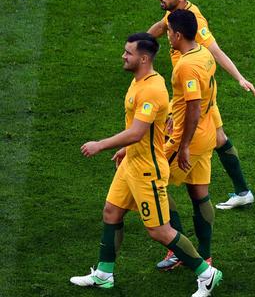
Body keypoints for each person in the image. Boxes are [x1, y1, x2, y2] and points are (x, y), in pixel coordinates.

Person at [70, 33, 221, 296]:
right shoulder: (139, 81)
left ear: (143, 58)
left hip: (147, 170)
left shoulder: (152, 90)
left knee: (159, 231)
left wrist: (101, 144)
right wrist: (126, 149)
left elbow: (138, 131)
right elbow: (147, 130)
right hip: (132, 163)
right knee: (111, 212)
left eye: (128, 53)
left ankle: (206, 273)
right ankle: (105, 274)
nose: (123, 56)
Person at [148, 0, 255, 212]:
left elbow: (215, 51)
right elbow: (159, 27)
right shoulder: (173, 15)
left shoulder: (194, 21)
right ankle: (243, 192)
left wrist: (239, 77)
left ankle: (167, 231)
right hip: (198, 88)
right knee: (220, 138)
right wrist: (140, 45)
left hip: (193, 91)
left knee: (158, 168)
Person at [154, 9, 224, 272]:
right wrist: (175, 111)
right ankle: (205, 256)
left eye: (169, 31)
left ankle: (179, 249)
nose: (168, 35)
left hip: (187, 140)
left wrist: (182, 145)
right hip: (206, 136)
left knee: (153, 184)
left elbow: (193, 106)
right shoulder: (204, 54)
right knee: (200, 196)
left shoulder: (185, 65)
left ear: (179, 34)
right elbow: (201, 98)